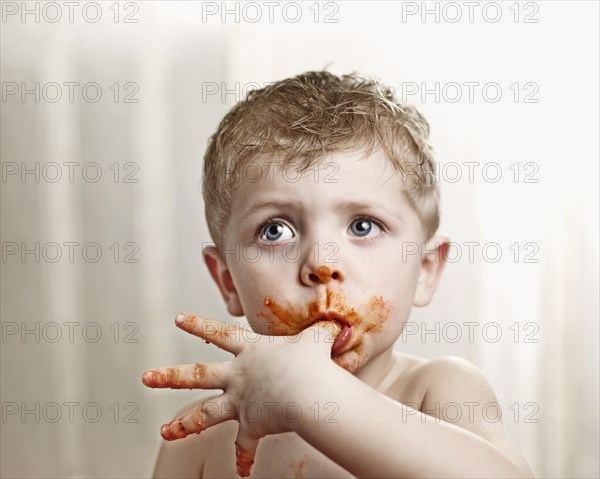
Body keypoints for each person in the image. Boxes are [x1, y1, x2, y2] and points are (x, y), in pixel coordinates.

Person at [142, 71, 534, 478]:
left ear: (424, 269)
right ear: (227, 281)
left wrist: (307, 391)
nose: (321, 264)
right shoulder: (203, 436)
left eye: (363, 226)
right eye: (275, 230)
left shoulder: (436, 393)